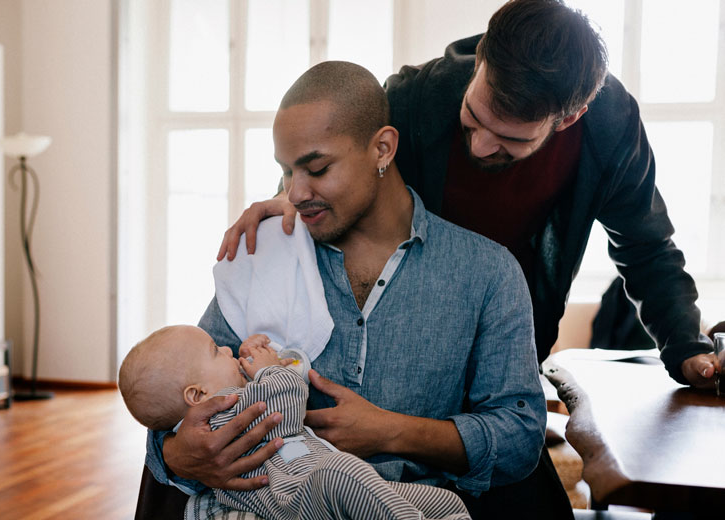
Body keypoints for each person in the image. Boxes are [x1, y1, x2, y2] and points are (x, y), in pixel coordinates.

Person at [219, 0, 716, 389]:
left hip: (510, 339)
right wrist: (292, 194)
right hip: (408, 342)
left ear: (569, 118)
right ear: (479, 61)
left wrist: (686, 348)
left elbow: (647, 247)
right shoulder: (414, 99)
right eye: (474, 117)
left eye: (510, 139)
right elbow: (337, 155)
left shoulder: (610, 129)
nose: (481, 144)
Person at [148, 60, 548, 520]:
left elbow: (519, 438)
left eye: (316, 168)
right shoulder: (265, 255)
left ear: (382, 148)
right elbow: (173, 393)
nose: (295, 193)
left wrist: (390, 432)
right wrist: (179, 456)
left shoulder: (488, 273)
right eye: (285, 172)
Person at [121, 326, 471, 520]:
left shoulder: (223, 407)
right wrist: (269, 368)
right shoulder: (223, 414)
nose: (228, 351)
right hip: (294, 492)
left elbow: (288, 376)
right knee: (344, 473)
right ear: (196, 396)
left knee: (444, 503)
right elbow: (286, 402)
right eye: (216, 351)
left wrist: (277, 364)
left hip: (309, 488)